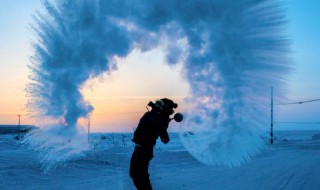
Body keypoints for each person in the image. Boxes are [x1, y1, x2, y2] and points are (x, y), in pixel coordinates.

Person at [129, 98, 178, 190]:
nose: (157, 103)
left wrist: (164, 136)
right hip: (139, 148)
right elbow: (159, 124)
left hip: (144, 148)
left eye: (160, 103)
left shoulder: (156, 115)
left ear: (164, 107)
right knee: (134, 173)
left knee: (140, 175)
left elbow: (159, 126)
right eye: (158, 102)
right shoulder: (156, 115)